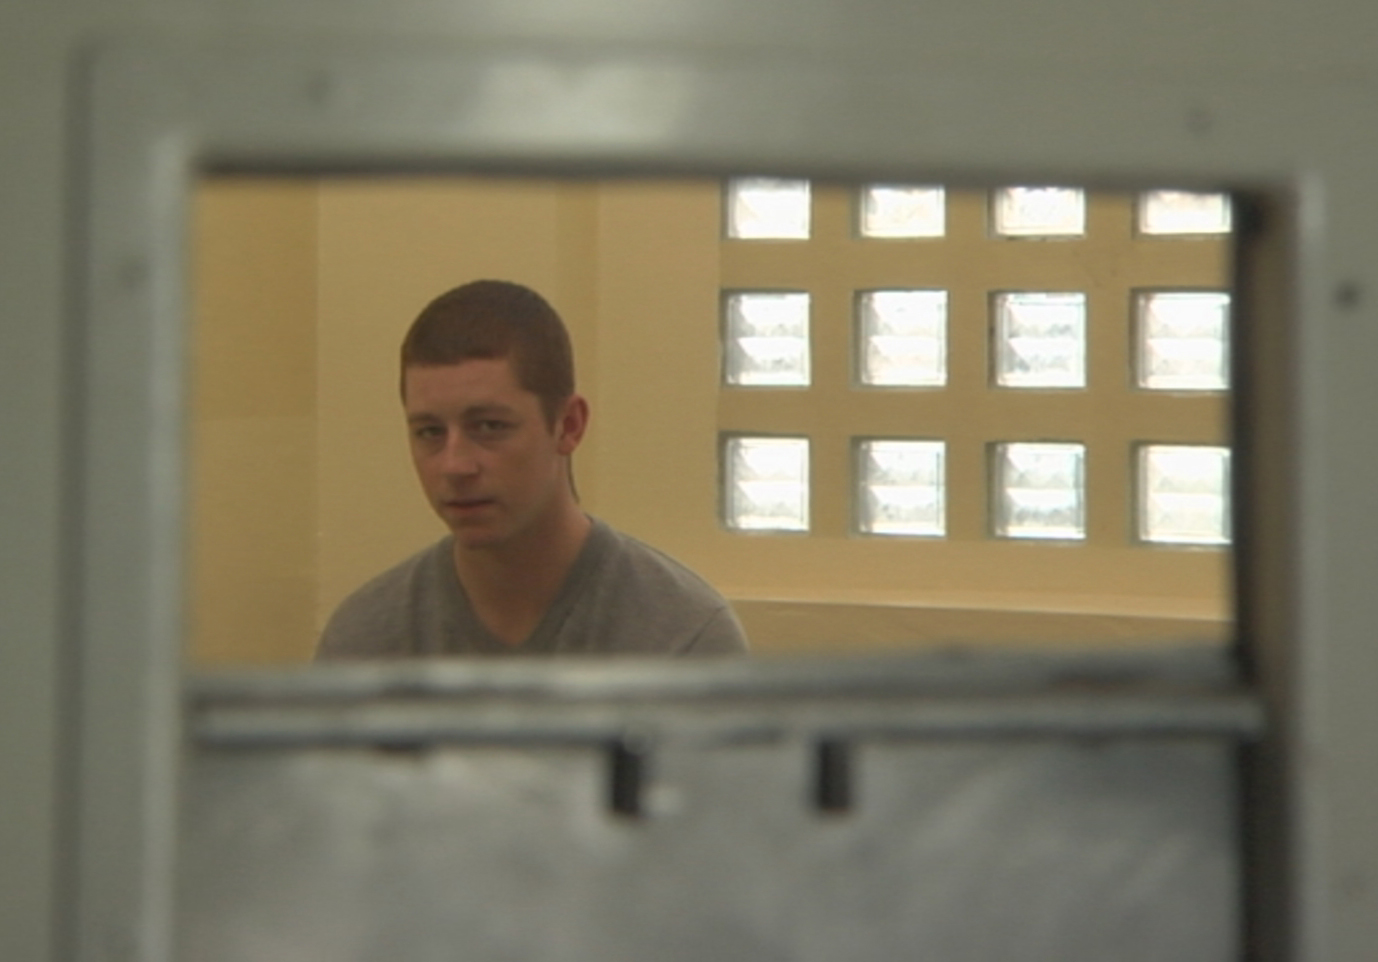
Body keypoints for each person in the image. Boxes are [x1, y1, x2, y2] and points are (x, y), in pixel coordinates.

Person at [315, 279, 749, 659]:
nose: (455, 465)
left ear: (569, 426)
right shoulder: (365, 641)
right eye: (429, 432)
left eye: (489, 427)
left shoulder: (683, 638)